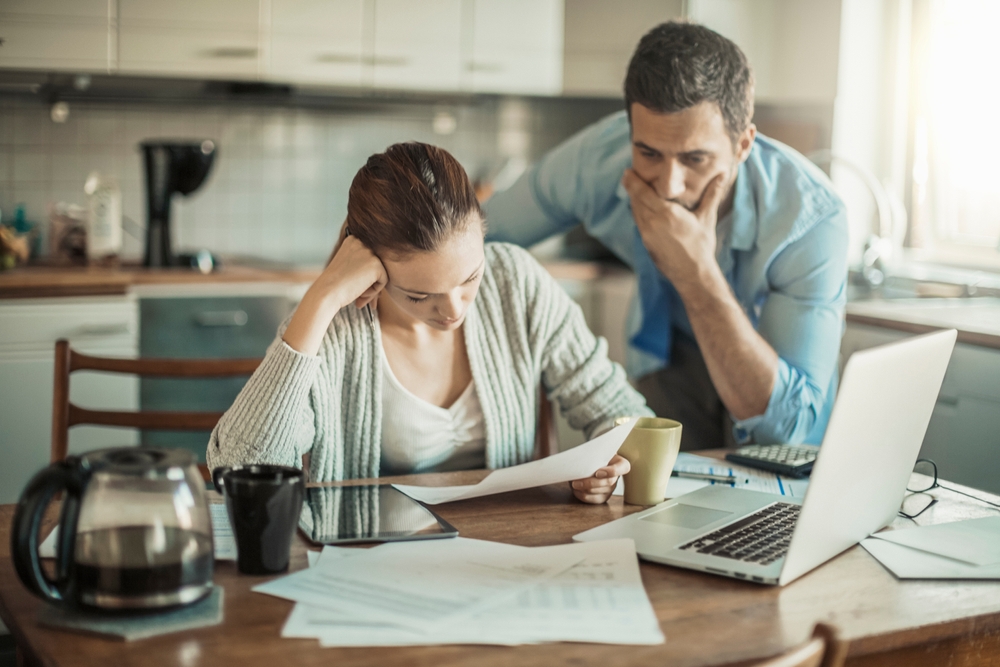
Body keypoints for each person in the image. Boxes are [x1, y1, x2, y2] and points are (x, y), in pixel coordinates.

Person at [207, 142, 652, 504]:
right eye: (420, 295)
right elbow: (240, 470)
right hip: (376, 560)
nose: (454, 309)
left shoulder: (515, 279)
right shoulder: (338, 326)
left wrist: (610, 464)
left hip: (511, 548)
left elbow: (617, 409)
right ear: (372, 270)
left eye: (470, 278)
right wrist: (321, 298)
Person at [484, 21, 848, 450]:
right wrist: (385, 248)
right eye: (649, 153)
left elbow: (785, 430)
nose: (669, 186)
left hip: (768, 386)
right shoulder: (601, 158)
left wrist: (696, 272)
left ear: (743, 145)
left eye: (695, 158)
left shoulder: (809, 218)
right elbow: (476, 234)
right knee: (660, 505)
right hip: (665, 362)